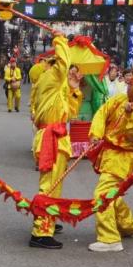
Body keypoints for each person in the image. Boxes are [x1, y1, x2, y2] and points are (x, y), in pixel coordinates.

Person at [87, 73, 133, 252]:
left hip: (122, 159)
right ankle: (131, 226)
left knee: (103, 194)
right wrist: (96, 133)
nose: (130, 87)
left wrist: (130, 115)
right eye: (130, 84)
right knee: (113, 195)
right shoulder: (119, 99)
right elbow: (103, 112)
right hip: (109, 153)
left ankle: (109, 239)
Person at [29, 32, 81, 249]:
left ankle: (47, 219)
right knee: (49, 186)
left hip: (56, 137)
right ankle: (40, 232)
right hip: (51, 137)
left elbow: (70, 113)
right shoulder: (50, 78)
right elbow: (65, 60)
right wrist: (60, 39)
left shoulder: (53, 87)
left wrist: (73, 90)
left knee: (53, 184)